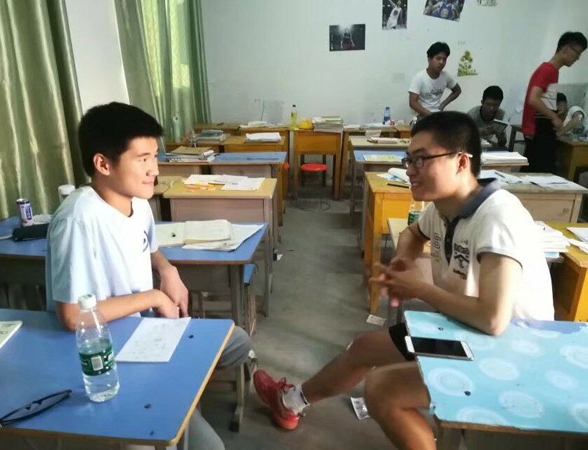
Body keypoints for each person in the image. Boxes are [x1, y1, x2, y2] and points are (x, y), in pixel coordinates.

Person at [252, 112, 554, 450]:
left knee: (382, 389)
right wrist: (403, 262)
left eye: (421, 160)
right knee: (364, 348)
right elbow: (413, 234)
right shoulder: (442, 208)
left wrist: (420, 288)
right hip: (462, 331)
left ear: (461, 161)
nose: (410, 169)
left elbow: (493, 319)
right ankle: (290, 403)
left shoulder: (499, 216)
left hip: (508, 356)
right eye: (409, 160)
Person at [45, 102, 251, 450]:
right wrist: (154, 297)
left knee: (238, 343)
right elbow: (72, 316)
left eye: (155, 156)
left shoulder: (138, 203)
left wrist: (167, 269)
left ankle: (176, 384)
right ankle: (166, 393)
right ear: (103, 164)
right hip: (108, 351)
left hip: (148, 331)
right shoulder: (78, 220)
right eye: (142, 159)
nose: (154, 169)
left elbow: (149, 246)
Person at [521, 31, 587, 173]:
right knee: (543, 176)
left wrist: (556, 110)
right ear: (566, 49)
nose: (577, 58)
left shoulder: (552, 71)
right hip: (538, 133)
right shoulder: (548, 70)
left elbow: (541, 100)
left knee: (535, 174)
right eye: (577, 53)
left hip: (540, 132)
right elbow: (533, 98)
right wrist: (554, 117)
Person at [409, 42, 461, 118]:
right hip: (421, 115)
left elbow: (457, 90)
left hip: (437, 114)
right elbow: (412, 103)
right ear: (429, 59)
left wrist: (442, 105)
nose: (441, 62)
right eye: (438, 58)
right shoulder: (419, 77)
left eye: (444, 59)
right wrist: (430, 115)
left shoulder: (445, 76)